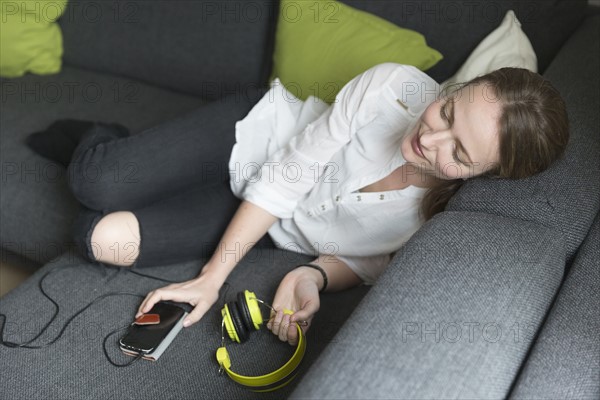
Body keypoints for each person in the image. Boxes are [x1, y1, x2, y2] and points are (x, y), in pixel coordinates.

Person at [25, 63, 569, 346]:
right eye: (447, 112)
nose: (433, 140)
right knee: (98, 184)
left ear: (487, 175)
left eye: (461, 153)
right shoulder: (392, 89)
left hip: (268, 223)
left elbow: (366, 259)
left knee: (97, 238)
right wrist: (212, 280)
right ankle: (100, 137)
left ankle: (135, 166)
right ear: (455, 90)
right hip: (253, 138)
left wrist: (314, 276)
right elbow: (288, 176)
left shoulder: (447, 218)